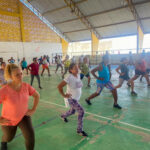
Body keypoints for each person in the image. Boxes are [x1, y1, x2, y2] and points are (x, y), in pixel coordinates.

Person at [0, 64, 39, 150]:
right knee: (8, 138)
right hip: (8, 120)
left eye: (21, 73)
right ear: (10, 76)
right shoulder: (4, 90)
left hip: (23, 116)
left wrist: (33, 109)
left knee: (30, 137)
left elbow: (37, 96)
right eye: (17, 75)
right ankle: (3, 141)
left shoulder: (26, 86)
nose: (21, 76)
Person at [57, 63, 88, 137]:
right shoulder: (69, 77)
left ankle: (63, 116)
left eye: (77, 67)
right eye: (75, 68)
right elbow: (59, 86)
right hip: (72, 99)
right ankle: (79, 130)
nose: (77, 69)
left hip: (76, 98)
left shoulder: (78, 75)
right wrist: (64, 95)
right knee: (81, 111)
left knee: (72, 111)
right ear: (71, 70)